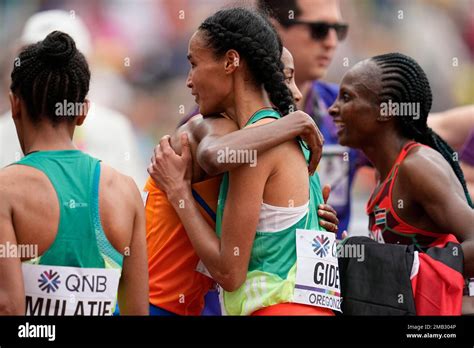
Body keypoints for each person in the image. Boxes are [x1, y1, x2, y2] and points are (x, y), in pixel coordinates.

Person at [149, 7, 334, 316]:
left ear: (232, 61)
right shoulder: (294, 140)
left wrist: (179, 193)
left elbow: (228, 273)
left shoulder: (258, 144)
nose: (189, 80)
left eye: (194, 64)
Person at [0, 31, 148, 315]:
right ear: (82, 112)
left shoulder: (6, 190)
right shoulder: (125, 191)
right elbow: (138, 311)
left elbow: (8, 307)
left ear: (15, 105)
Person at [328, 52, 474, 314]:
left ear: (386, 111)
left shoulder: (417, 166)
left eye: (347, 97)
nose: (333, 108)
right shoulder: (384, 174)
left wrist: (408, 268)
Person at [0, 10, 147, 189]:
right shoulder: (2, 133)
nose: (47, 76)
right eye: (35, 61)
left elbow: (135, 200)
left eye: (62, 64)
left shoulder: (115, 129)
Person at [257, 0, 365, 237]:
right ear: (272, 29)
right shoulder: (224, 116)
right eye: (319, 29)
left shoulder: (349, 106)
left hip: (333, 268)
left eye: (339, 30)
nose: (331, 42)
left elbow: (415, 138)